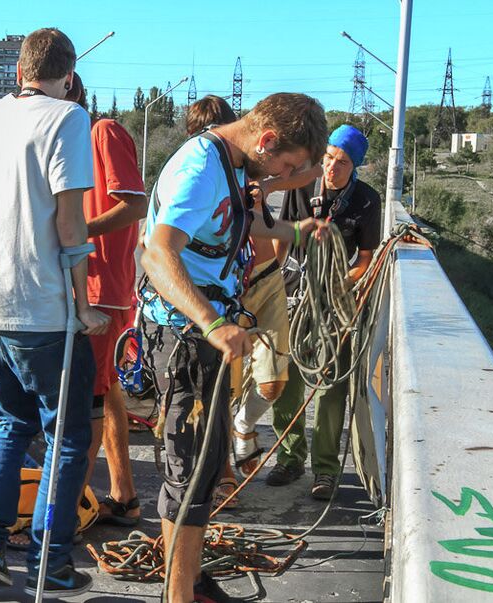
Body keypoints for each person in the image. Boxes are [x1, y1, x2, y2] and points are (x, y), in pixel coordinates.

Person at [140, 93, 328, 603]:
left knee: (204, 470)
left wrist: (297, 229)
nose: (284, 177)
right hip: (183, 336)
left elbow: (242, 223)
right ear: (266, 140)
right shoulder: (202, 165)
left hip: (202, 337)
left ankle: (193, 580)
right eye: (287, 165)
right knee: (189, 474)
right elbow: (157, 253)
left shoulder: (235, 164)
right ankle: (178, 596)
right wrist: (213, 321)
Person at [0, 28, 109, 599]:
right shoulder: (68, 118)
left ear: (19, 69)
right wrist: (83, 302)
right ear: (68, 77)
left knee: (9, 424)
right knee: (67, 437)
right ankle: (51, 560)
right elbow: (69, 221)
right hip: (40, 305)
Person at [268, 124, 382, 500]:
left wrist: (339, 283)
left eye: (342, 162)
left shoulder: (366, 201)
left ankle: (326, 470)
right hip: (295, 296)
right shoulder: (302, 186)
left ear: (356, 166)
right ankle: (289, 458)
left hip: (336, 301)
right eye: (329, 157)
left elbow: (366, 259)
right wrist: (271, 280)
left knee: (331, 386)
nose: (332, 167)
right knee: (286, 378)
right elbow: (282, 236)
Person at [66, 73, 148, 527]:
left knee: (90, 397)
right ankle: (124, 495)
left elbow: (134, 204)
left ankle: (73, 508)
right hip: (98, 288)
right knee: (108, 388)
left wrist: (81, 234)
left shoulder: (103, 131)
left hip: (102, 291)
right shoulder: (75, 150)